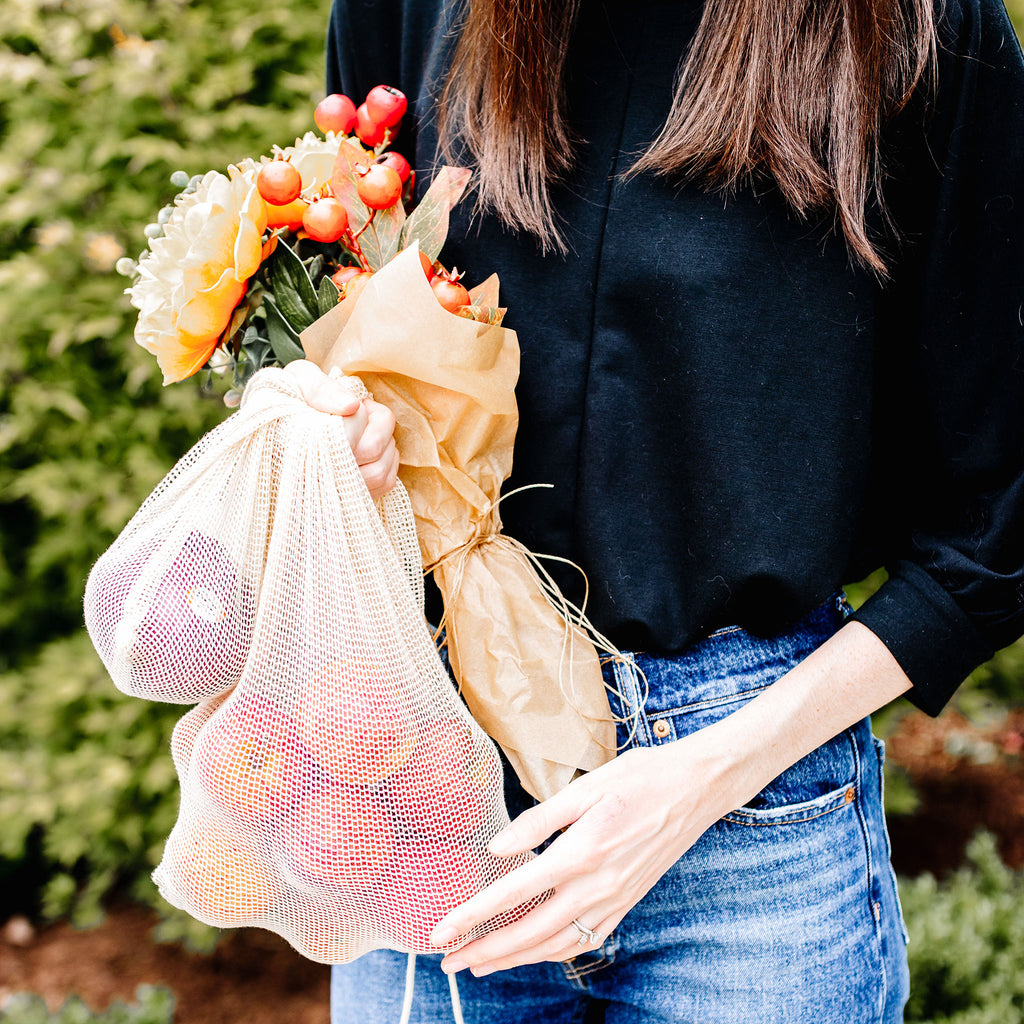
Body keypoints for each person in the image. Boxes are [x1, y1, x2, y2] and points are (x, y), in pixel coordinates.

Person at [310, 0, 1024, 1020]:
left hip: (754, 815)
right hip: (436, 772)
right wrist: (329, 429)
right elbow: (334, 301)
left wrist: (702, 777)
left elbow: (994, 525)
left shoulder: (921, 31)